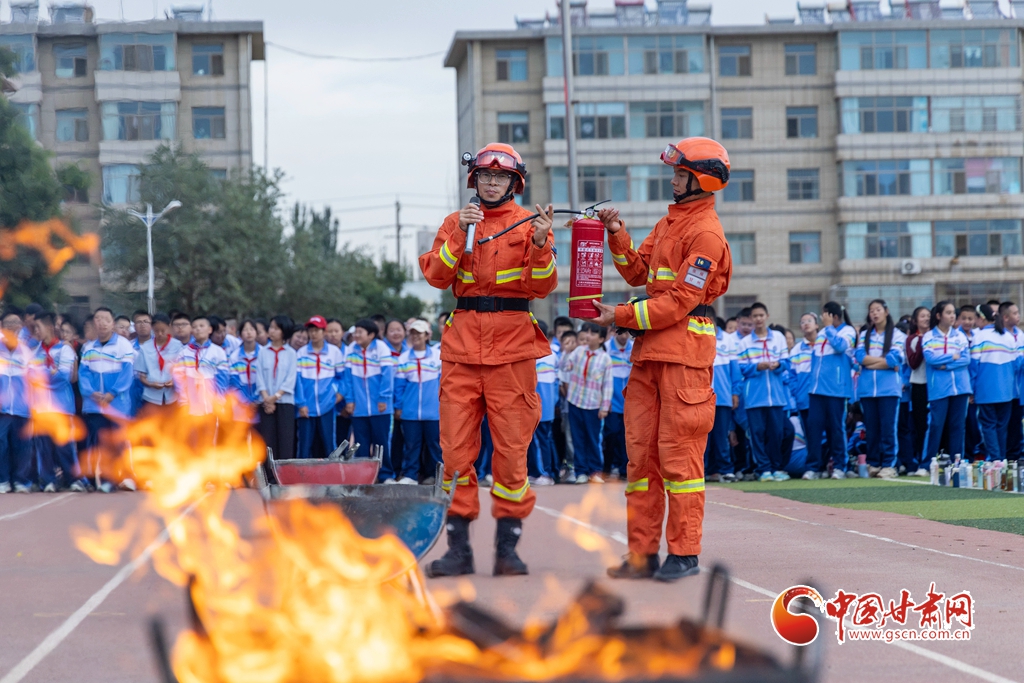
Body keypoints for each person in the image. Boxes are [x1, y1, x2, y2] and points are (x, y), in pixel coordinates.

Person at [591, 136, 733, 582]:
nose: (672, 180)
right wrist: (616, 233)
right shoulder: (670, 223)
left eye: (679, 174)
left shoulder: (706, 234)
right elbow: (637, 271)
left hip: (683, 360)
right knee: (641, 463)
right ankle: (642, 554)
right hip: (650, 355)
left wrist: (619, 315)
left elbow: (679, 303)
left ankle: (684, 554)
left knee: (679, 461)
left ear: (702, 180)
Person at [419, 142, 556, 578]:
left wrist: (540, 243)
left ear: (514, 183)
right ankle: (458, 551)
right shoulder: (454, 222)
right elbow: (435, 275)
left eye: (500, 177)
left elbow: (543, 286)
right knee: (455, 453)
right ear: (473, 180)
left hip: (512, 350)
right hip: (462, 349)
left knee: (512, 453)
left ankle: (507, 549)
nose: (492, 183)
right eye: (485, 176)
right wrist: (459, 232)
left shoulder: (531, 224)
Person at [78, 307, 136, 491]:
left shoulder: (123, 345)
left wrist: (113, 393)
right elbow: (83, 374)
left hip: (117, 404)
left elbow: (127, 373)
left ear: (113, 324)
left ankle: (124, 476)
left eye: (106, 319)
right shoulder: (88, 348)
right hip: (95, 405)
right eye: (98, 319)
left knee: (119, 441)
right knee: (101, 443)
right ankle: (105, 479)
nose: (101, 322)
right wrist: (91, 392)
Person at [737, 303, 791, 482]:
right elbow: (740, 368)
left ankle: (775, 468)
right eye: (755, 316)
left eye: (761, 315)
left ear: (767, 316)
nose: (758, 319)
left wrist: (778, 365)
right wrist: (756, 367)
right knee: (757, 434)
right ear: (751, 318)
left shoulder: (778, 338)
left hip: (776, 396)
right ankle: (764, 469)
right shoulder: (744, 343)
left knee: (776, 434)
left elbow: (787, 362)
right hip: (754, 397)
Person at [29, 312, 82, 491]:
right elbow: (31, 376)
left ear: (50, 327)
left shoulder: (64, 349)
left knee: (64, 446)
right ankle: (48, 480)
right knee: (44, 447)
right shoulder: (35, 351)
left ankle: (73, 479)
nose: (36, 331)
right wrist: (50, 372)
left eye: (38, 327)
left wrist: (43, 375)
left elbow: (64, 377)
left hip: (62, 407)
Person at [804, 301, 856, 479]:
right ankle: (813, 467)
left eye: (824, 314)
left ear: (832, 316)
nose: (822, 317)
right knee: (814, 429)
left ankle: (840, 466)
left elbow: (841, 346)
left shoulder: (848, 331)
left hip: (836, 390)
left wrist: (828, 328)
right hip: (816, 390)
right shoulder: (822, 333)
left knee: (836, 429)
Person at [854, 300, 906, 479]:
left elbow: (893, 359)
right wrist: (882, 362)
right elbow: (860, 357)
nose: (875, 313)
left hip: (889, 389)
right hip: (867, 389)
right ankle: (874, 463)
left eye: (878, 310)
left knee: (888, 428)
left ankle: (889, 464)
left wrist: (870, 364)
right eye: (871, 311)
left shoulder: (897, 335)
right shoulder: (865, 335)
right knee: (872, 428)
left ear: (886, 311)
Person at [341, 318, 396, 481]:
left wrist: (383, 398)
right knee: (361, 443)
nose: (356, 335)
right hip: (359, 407)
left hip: (380, 406)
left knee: (381, 442)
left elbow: (387, 376)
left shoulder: (381, 348)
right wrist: (349, 400)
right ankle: (363, 477)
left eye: (360, 332)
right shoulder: (351, 349)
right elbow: (348, 378)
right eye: (355, 332)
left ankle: (385, 474)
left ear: (371, 335)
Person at [561, 322, 615, 484]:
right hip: (575, 401)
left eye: (593, 333)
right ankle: (581, 471)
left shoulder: (605, 359)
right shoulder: (579, 351)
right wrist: (566, 352)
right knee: (578, 438)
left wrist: (604, 407)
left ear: (601, 339)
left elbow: (607, 385)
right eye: (587, 332)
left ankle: (595, 471)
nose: (588, 336)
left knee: (593, 439)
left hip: (593, 405)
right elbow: (565, 367)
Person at [921, 301, 972, 465]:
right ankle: (927, 463)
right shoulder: (929, 336)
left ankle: (957, 462)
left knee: (958, 426)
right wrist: (952, 356)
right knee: (936, 425)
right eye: (948, 313)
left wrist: (946, 365)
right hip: (939, 388)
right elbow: (931, 359)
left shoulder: (960, 336)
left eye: (953, 313)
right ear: (938, 316)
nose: (952, 316)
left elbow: (966, 359)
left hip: (961, 387)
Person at [394, 320, 442, 484]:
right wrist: (398, 406)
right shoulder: (404, 358)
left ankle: (437, 475)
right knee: (411, 445)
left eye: (419, 333)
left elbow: (444, 383)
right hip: (410, 412)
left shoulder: (437, 356)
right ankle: (410, 475)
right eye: (413, 333)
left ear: (427, 335)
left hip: (434, 412)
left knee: (435, 445)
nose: (415, 336)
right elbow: (399, 386)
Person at [970, 304, 1016, 462]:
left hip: (985, 390)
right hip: (1007, 390)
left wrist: (971, 390)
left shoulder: (979, 336)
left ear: (981, 318)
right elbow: (1017, 364)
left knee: (988, 426)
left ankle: (995, 460)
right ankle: (1001, 460)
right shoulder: (1008, 336)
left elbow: (973, 366)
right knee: (1001, 427)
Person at [295, 316, 344, 459]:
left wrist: (338, 393)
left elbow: (342, 377)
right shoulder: (301, 352)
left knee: (328, 444)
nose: (313, 333)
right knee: (304, 445)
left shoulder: (334, 352)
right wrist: (301, 403)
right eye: (311, 330)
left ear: (324, 332)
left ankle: (331, 472)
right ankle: (302, 473)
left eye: (317, 330)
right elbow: (297, 381)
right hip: (306, 407)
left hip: (327, 405)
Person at [0, 307, 34, 492]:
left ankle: (21, 480)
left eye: (15, 323)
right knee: (1, 444)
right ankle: (3, 480)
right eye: (8, 324)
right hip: (2, 409)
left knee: (22, 446)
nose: (12, 327)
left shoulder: (27, 351)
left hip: (23, 407)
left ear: (21, 327)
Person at [172, 315, 229, 421]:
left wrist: (219, 401)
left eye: (201, 326)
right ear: (191, 331)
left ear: (210, 330)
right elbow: (179, 379)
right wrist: (183, 401)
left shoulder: (218, 352)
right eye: (194, 327)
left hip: (211, 405)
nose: (198, 329)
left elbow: (223, 379)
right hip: (190, 405)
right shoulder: (184, 352)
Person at [256, 316, 297, 461]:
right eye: (271, 327)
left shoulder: (291, 353)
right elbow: (259, 376)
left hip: (285, 402)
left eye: (276, 328)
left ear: (284, 331)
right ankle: (268, 472)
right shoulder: (262, 352)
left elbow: (290, 379)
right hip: (265, 402)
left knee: (286, 441)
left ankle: (284, 473)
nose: (271, 331)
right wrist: (266, 398)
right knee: (267, 441)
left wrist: (275, 397)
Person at [705, 317, 741, 482]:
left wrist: (735, 392)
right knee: (703, 437)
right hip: (701, 398)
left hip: (723, 397)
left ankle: (726, 470)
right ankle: (703, 470)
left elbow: (735, 370)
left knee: (721, 437)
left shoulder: (727, 339)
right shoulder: (696, 335)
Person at [135, 314, 182, 414]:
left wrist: (174, 382)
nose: (160, 334)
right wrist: (151, 384)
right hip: (151, 397)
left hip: (172, 396)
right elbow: (142, 376)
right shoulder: (145, 347)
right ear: (152, 328)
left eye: (163, 331)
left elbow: (182, 371)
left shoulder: (177, 346)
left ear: (169, 327)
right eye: (156, 331)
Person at [530, 320, 559, 486]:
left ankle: (545, 473)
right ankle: (537, 472)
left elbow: (556, 381)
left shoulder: (546, 354)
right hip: (539, 405)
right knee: (538, 441)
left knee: (541, 441)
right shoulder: (548, 354)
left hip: (542, 407)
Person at [603, 325, 633, 480]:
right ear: (615, 331)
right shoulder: (606, 348)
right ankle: (607, 467)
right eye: (622, 332)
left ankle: (624, 470)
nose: (625, 336)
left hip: (629, 401)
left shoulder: (634, 347)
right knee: (611, 434)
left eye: (628, 332)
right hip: (612, 400)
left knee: (626, 436)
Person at [904, 306, 931, 475]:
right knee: (920, 424)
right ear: (915, 320)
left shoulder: (936, 336)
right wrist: (923, 342)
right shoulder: (912, 339)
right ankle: (922, 459)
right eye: (922, 316)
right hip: (919, 384)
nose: (926, 319)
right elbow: (913, 363)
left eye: (928, 316)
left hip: (935, 384)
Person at [999, 301, 1022, 460]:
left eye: (1018, 312)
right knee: (1003, 424)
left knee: (1016, 423)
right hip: (1004, 389)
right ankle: (1002, 456)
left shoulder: (1020, 335)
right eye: (1014, 313)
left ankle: (1015, 456)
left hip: (1019, 389)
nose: (1018, 316)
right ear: (1005, 317)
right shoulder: (999, 336)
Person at [228, 319, 262, 427]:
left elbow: (266, 380)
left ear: (256, 333)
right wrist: (245, 402)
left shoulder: (263, 353)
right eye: (245, 330)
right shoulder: (234, 356)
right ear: (240, 334)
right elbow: (233, 382)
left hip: (260, 404)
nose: (248, 332)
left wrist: (256, 400)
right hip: (240, 405)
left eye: (251, 329)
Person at [325, 318, 352, 446]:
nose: (333, 334)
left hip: (346, 405)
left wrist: (346, 402)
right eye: (329, 331)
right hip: (326, 405)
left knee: (343, 442)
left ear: (343, 333)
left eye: (336, 331)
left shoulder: (350, 352)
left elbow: (350, 379)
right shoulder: (321, 352)